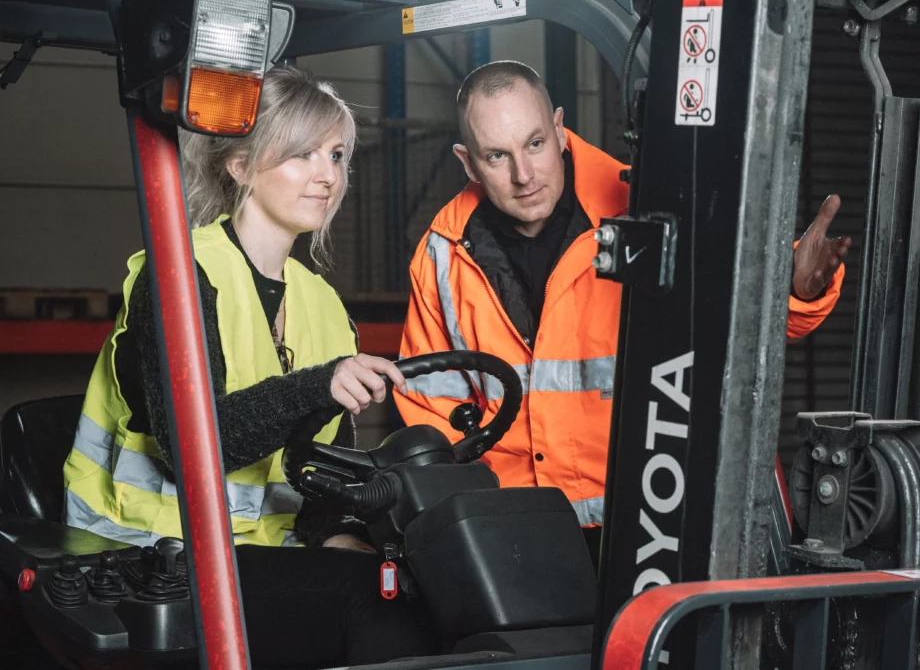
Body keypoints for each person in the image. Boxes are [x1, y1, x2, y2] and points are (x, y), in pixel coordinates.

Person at [394, 61, 851, 564]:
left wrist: (795, 290)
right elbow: (432, 416)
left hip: (649, 522)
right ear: (468, 162)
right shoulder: (444, 255)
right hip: (515, 533)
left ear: (561, 130)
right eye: (497, 156)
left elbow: (744, 325)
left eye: (535, 144)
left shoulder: (646, 209)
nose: (523, 175)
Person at [61, 66, 436, 667]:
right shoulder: (180, 278)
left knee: (414, 579)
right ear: (240, 167)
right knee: (371, 603)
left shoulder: (324, 306)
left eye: (337, 155)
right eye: (301, 154)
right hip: (147, 550)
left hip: (262, 547)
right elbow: (192, 451)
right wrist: (318, 385)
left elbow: (320, 474)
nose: (326, 175)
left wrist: (342, 535)